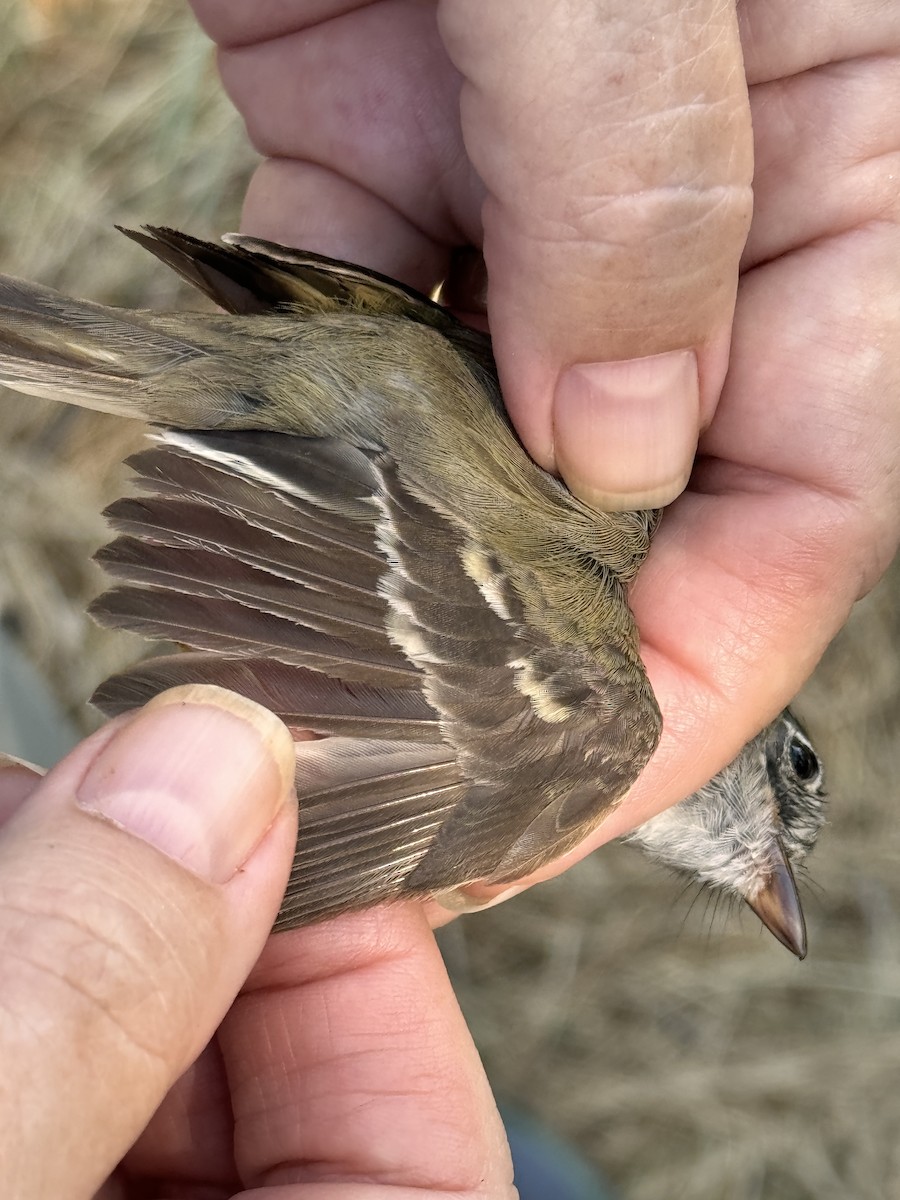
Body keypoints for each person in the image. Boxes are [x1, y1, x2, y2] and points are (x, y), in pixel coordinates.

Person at [2, 2, 898, 1193]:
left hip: (361, 380)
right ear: (759, 741)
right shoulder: (605, 725)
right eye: (788, 790)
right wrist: (192, 873)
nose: (768, 854)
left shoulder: (627, 601)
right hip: (345, 413)